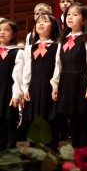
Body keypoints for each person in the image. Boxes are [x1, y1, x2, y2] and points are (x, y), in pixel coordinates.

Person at [51, 2, 87, 148]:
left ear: (83, 20)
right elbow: (58, 65)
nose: (70, 17)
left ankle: (84, 152)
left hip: (81, 81)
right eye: (68, 15)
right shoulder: (63, 40)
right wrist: (55, 85)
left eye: (75, 15)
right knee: (72, 119)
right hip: (66, 81)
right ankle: (76, 152)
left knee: (82, 118)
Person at [22, 14, 60, 151]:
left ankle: (52, 153)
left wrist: (55, 85)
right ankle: (35, 153)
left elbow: (57, 67)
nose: (41, 23)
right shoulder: (30, 48)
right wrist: (25, 88)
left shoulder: (57, 46)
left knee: (50, 121)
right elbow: (27, 70)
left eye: (45, 21)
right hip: (34, 88)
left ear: (53, 26)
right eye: (38, 21)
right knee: (34, 121)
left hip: (49, 87)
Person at [0, 19, 24, 150]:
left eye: (6, 30)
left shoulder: (17, 52)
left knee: (9, 121)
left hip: (9, 90)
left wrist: (16, 95)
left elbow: (18, 76)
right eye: (0, 30)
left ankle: (11, 151)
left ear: (14, 34)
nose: (2, 32)